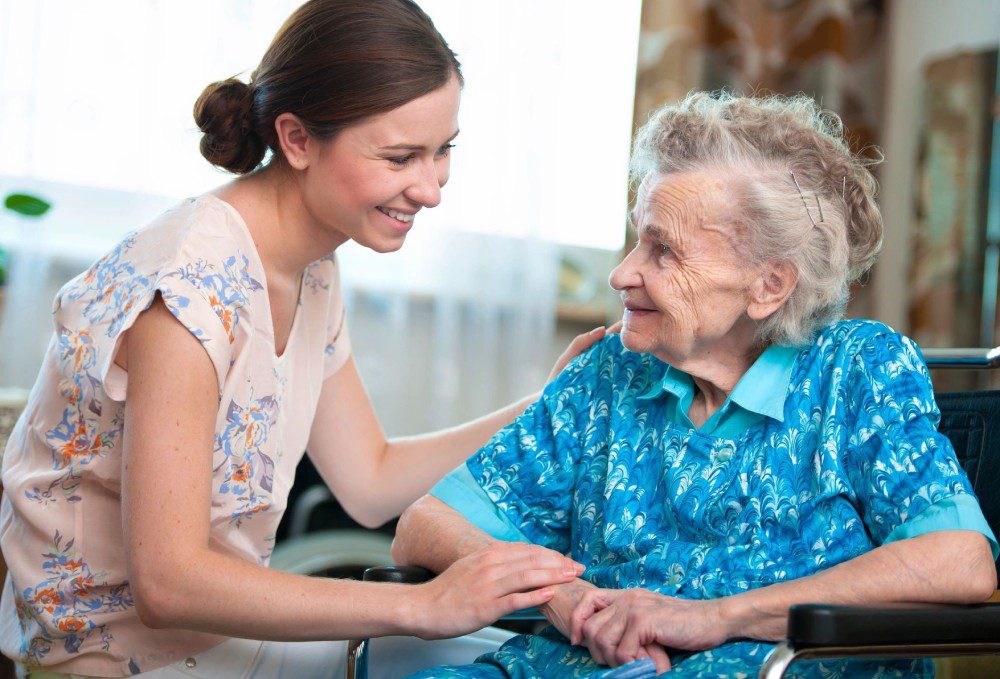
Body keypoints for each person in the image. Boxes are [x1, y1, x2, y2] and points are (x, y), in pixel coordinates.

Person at [0, 1, 605, 676]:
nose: (431, 189)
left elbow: (370, 479)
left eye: (443, 151)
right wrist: (425, 604)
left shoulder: (310, 262)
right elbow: (168, 583)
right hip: (109, 654)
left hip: (213, 638)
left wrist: (549, 400)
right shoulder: (188, 290)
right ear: (296, 140)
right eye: (401, 156)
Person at [392, 91, 1000, 678]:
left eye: (663, 251)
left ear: (769, 286)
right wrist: (567, 598)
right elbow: (424, 525)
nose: (622, 272)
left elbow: (957, 560)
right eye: (638, 237)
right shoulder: (611, 372)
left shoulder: (857, 369)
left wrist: (716, 618)